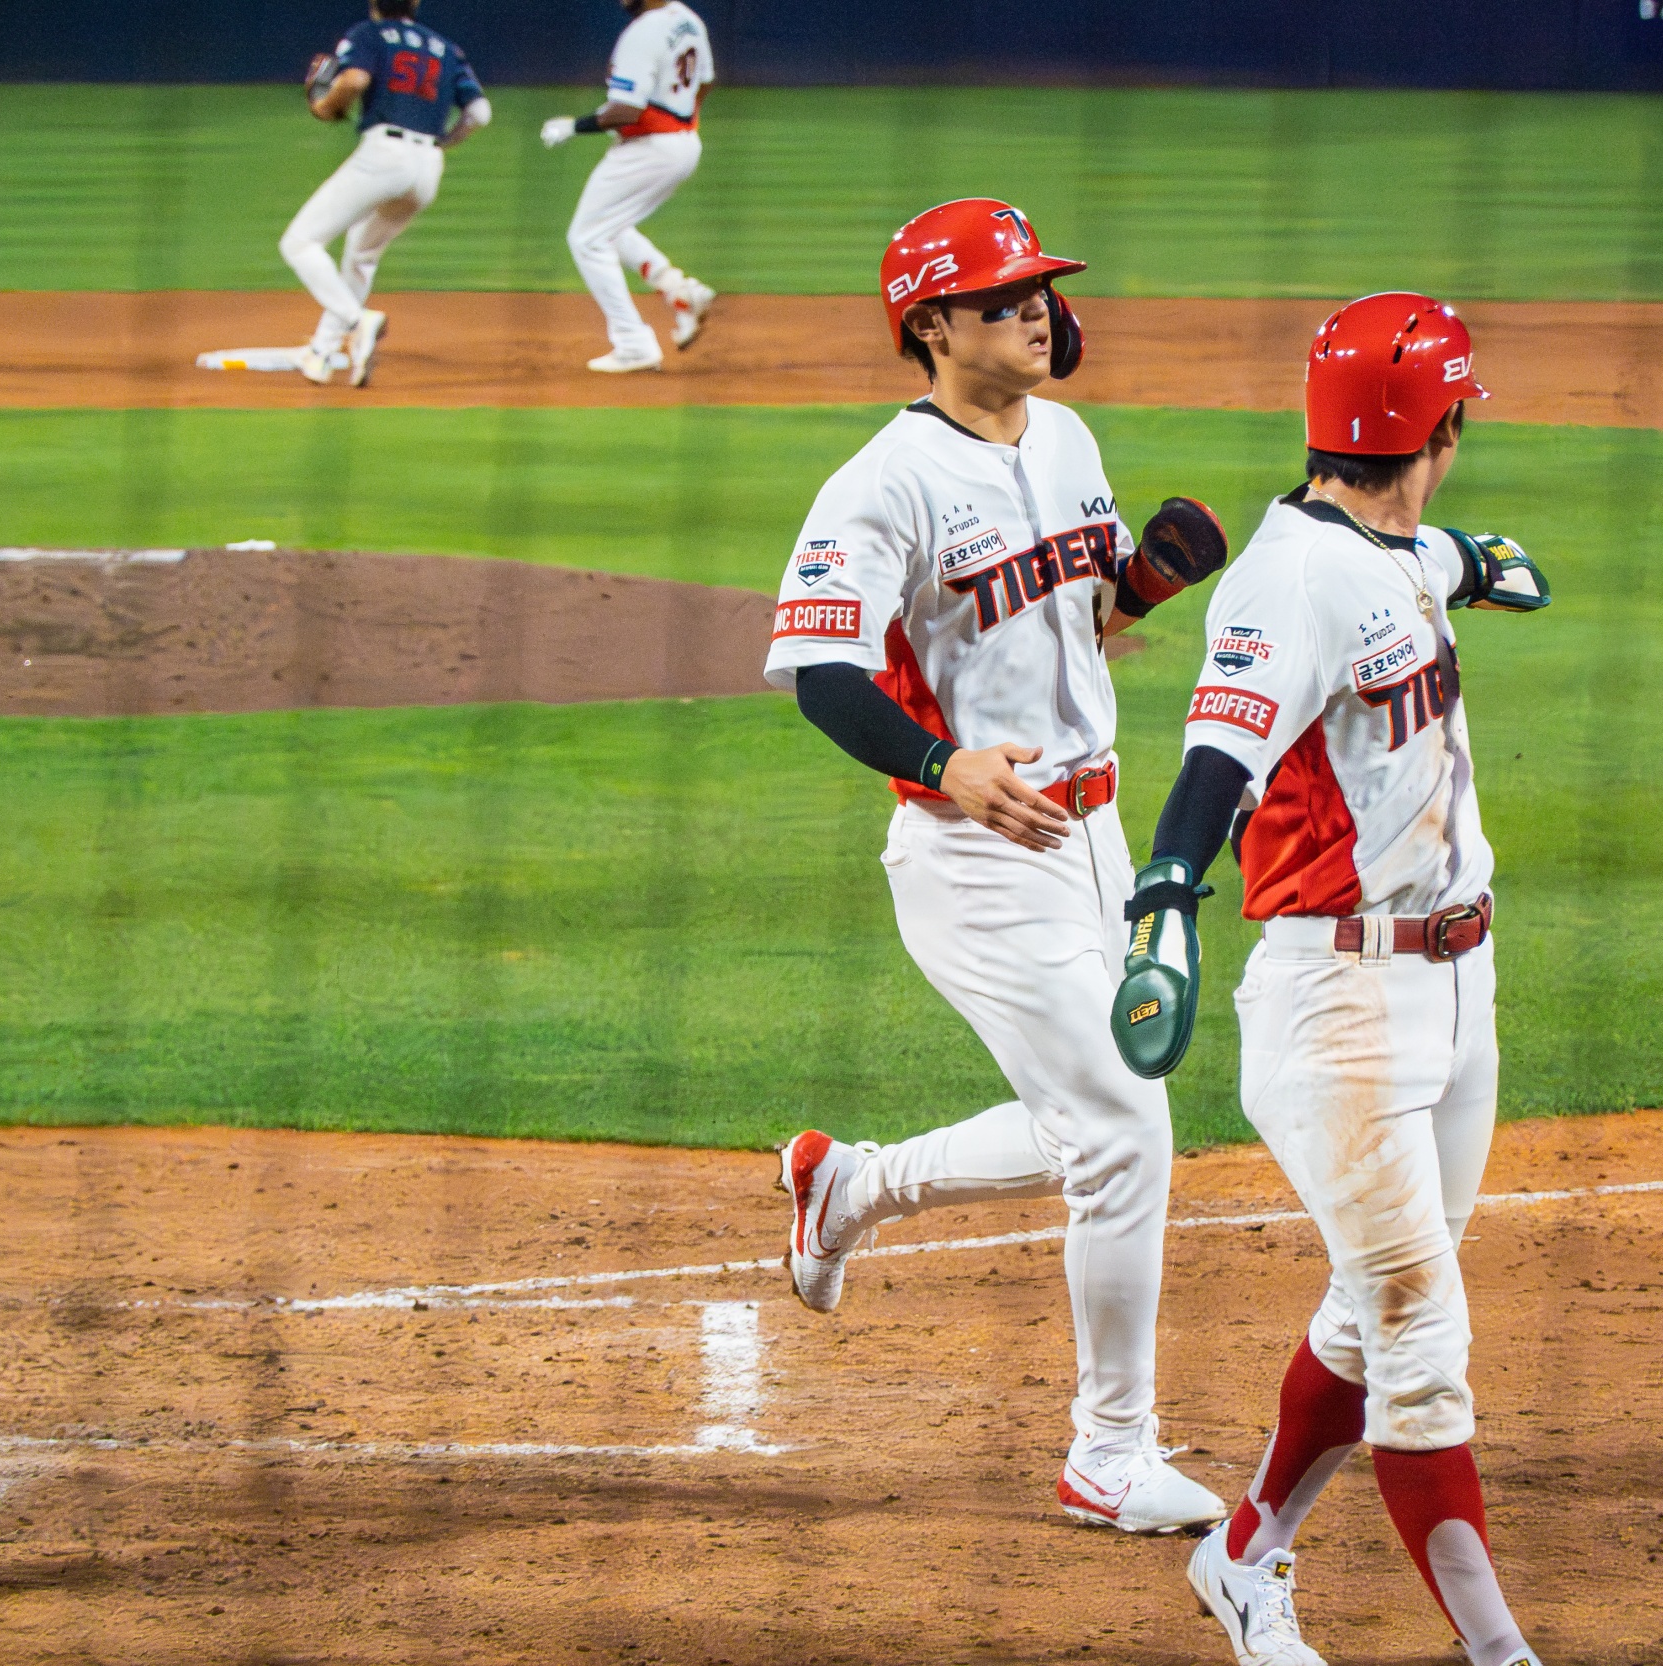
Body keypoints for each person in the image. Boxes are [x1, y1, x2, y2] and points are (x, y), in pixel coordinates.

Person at [767, 198, 1233, 1535]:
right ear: (931, 326)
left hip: (1097, 835)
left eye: (1039, 290)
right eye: (1002, 296)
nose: (1036, 310)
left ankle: (848, 1184)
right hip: (975, 854)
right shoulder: (882, 484)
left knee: (1092, 1111)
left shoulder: (1067, 438)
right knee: (1125, 1130)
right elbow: (819, 669)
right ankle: (1108, 1451)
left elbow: (1073, 624)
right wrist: (940, 762)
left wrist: (1143, 586)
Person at [1108, 292, 1551, 1666]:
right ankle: (1501, 1654)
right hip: (1343, 1007)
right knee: (1422, 1342)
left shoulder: (1391, 540)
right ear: (1443, 427)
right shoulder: (1288, 578)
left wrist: (1471, 562)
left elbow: (1427, 559)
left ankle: (1242, 1558)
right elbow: (1216, 754)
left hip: (1460, 992)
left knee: (1371, 1311)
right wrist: (1165, 894)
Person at [281, 0, 490, 387]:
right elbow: (480, 113)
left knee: (300, 242)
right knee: (362, 252)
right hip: (428, 167)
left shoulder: (369, 33)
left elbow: (353, 81)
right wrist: (444, 142)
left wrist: (324, 106)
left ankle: (357, 321)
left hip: (384, 155)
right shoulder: (446, 48)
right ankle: (323, 352)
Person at [539, 0, 716, 372]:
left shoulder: (643, 31)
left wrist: (573, 126)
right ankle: (680, 292)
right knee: (607, 224)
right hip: (684, 144)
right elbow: (705, 82)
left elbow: (625, 110)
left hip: (649, 150)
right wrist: (680, 122)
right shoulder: (689, 19)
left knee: (586, 239)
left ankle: (633, 343)